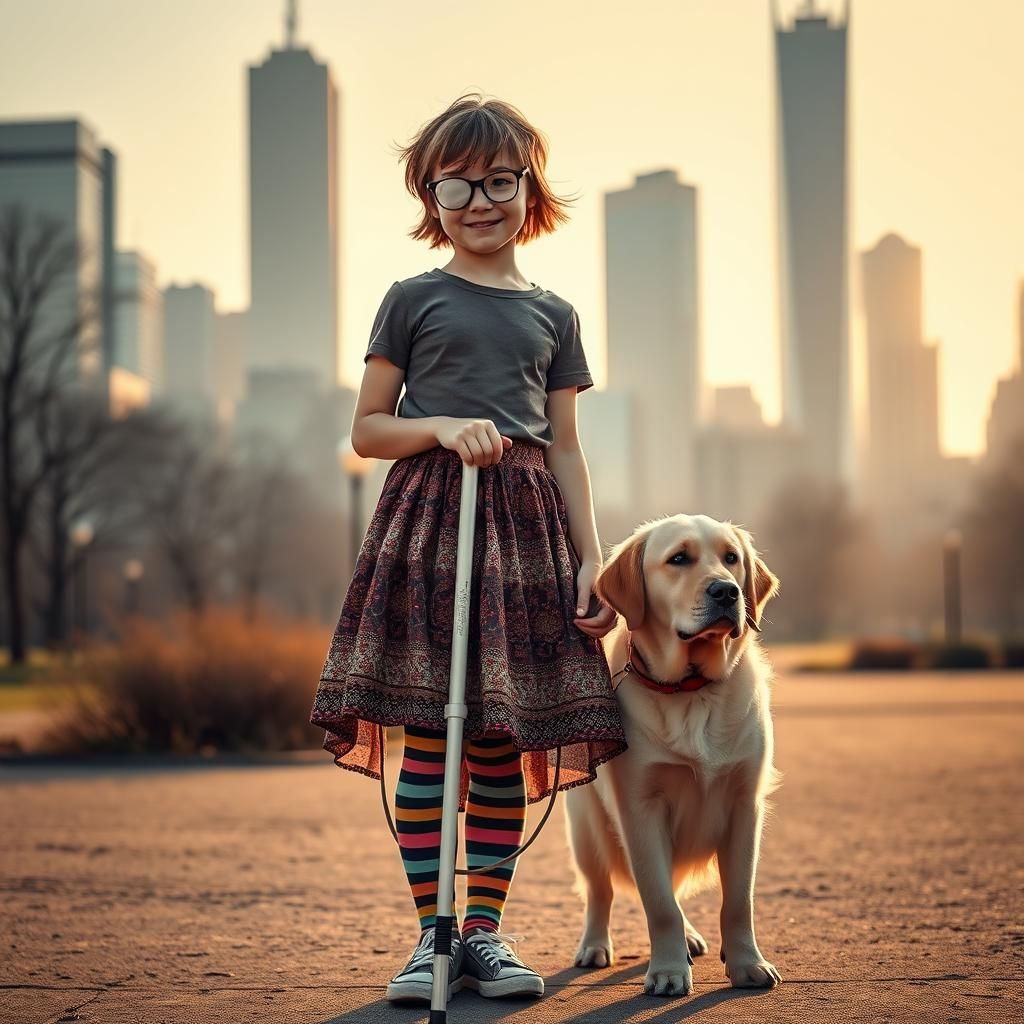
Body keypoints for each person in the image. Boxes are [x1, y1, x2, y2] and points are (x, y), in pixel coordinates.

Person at [309, 93, 626, 1005]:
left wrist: (591, 559)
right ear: (430, 196)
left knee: (494, 743)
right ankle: (432, 937)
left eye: (498, 181)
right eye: (457, 185)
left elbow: (565, 447)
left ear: (530, 189)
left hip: (523, 537)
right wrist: (444, 427)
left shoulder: (555, 314)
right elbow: (368, 430)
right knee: (428, 736)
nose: (479, 201)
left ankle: (482, 932)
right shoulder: (411, 299)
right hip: (430, 528)